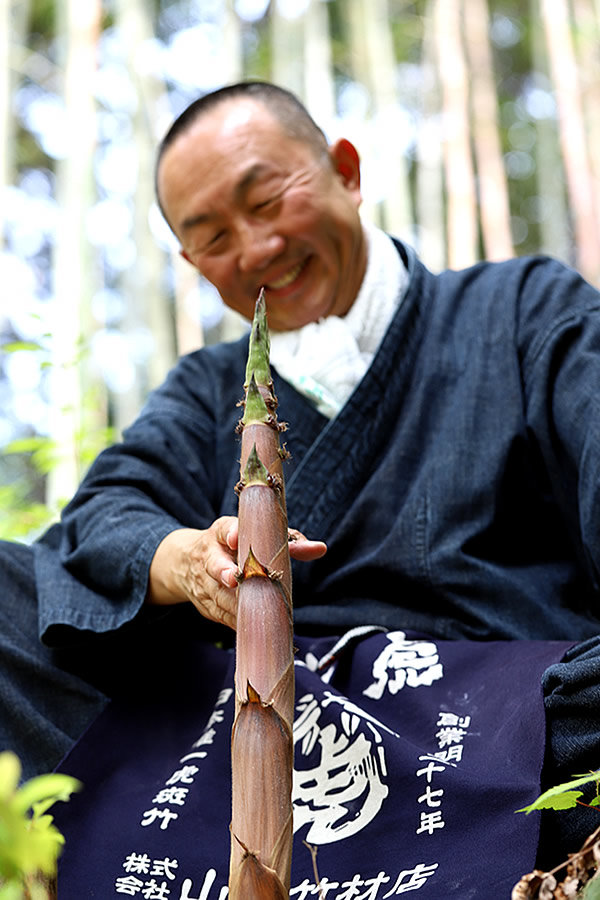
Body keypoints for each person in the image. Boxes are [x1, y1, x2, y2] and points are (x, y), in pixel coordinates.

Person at [1, 81, 600, 886]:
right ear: (188, 260)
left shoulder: (525, 311)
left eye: (267, 199)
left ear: (346, 172)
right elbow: (104, 517)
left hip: (496, 732)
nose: (253, 250)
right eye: (212, 237)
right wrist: (183, 558)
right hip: (245, 742)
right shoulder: (205, 389)